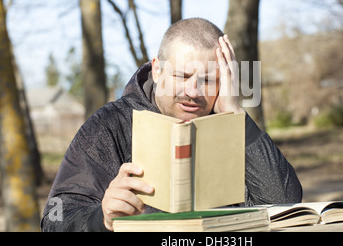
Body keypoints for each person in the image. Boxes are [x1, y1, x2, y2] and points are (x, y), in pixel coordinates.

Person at [41, 18, 302, 232]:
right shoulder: (109, 125)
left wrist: (235, 116)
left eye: (209, 79)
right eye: (182, 75)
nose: (193, 91)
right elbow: (54, 221)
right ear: (157, 70)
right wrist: (102, 219)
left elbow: (285, 204)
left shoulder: (231, 125)